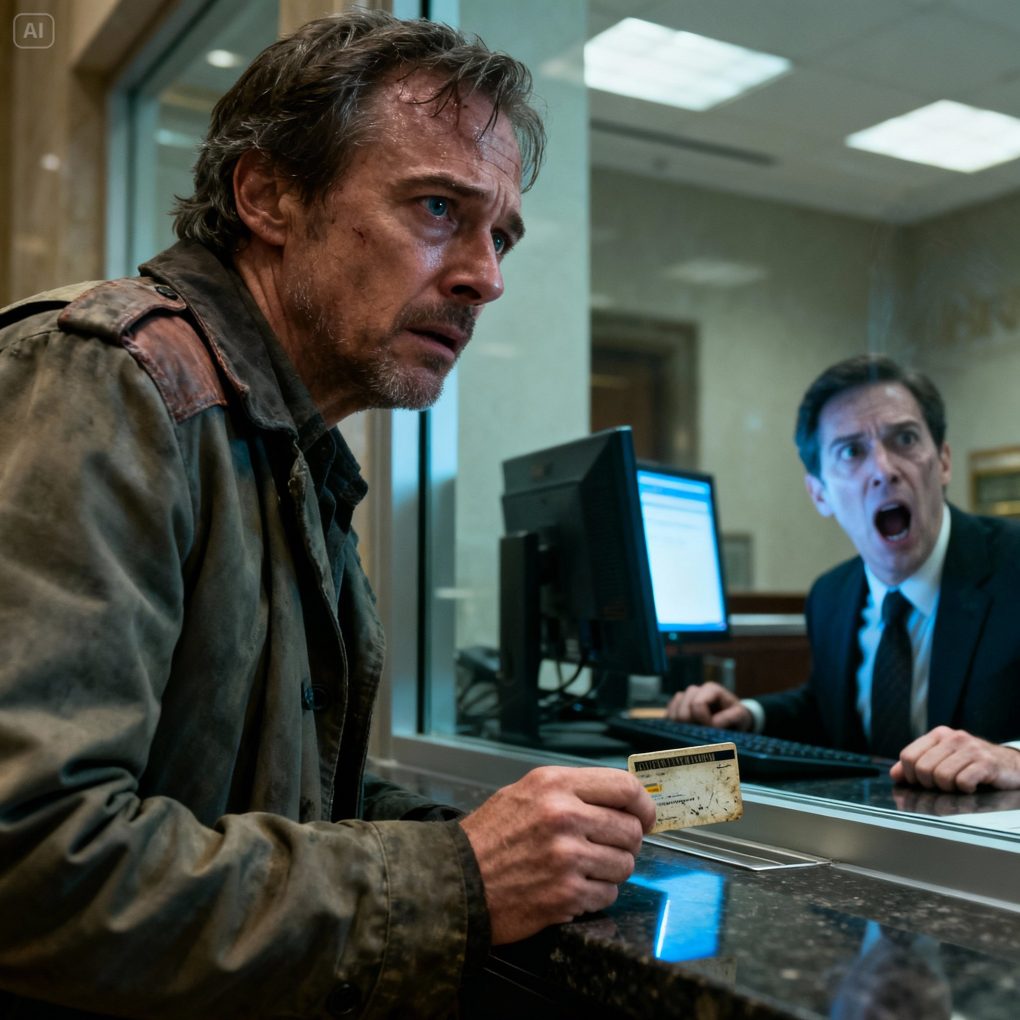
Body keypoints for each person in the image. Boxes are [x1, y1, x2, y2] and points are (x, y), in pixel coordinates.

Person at [0, 12, 655, 1019]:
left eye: (500, 235)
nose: (487, 277)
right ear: (267, 194)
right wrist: (459, 874)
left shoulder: (288, 451)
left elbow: (271, 802)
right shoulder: (111, 378)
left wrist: (497, 838)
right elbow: (33, 863)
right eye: (438, 208)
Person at [667, 354, 1020, 794]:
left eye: (905, 439)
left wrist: (1013, 759)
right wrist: (749, 715)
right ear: (820, 493)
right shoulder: (831, 595)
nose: (884, 470)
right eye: (851, 451)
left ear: (943, 461)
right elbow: (829, 708)